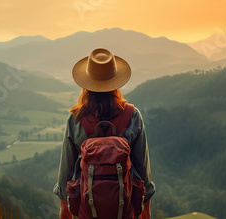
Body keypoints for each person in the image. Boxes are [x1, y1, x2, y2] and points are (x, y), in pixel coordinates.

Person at [53, 48, 155, 219]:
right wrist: (145, 207)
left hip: (88, 207)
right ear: (116, 82)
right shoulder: (133, 116)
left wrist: (64, 207)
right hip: (125, 205)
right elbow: (142, 167)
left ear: (86, 83)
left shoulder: (76, 119)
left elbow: (66, 168)